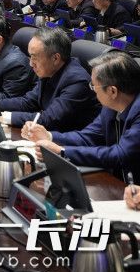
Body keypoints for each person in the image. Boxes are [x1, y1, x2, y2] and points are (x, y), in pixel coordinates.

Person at [22, 51, 140, 182]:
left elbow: (120, 155)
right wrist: (49, 136)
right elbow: (87, 137)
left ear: (112, 91)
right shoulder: (110, 107)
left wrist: (62, 151)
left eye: (93, 86)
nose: (93, 90)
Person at [0, 27, 99, 131]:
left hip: (72, 143)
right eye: (30, 57)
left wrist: (2, 117)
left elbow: (50, 119)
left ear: (55, 58)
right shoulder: (50, 70)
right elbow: (28, 102)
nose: (30, 64)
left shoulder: (76, 81)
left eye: (35, 57)